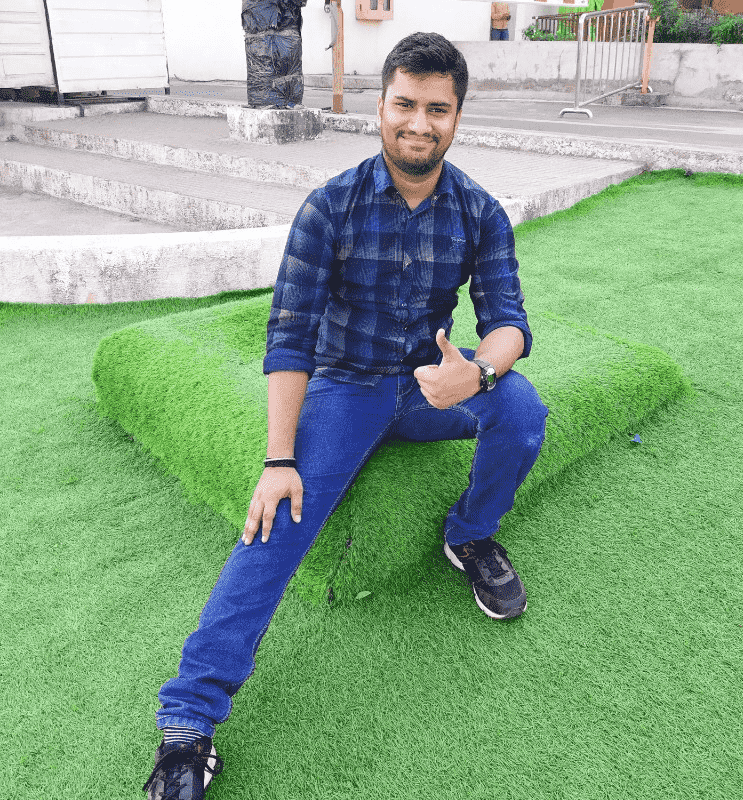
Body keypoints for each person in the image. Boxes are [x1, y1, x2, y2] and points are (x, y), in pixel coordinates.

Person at [142, 31, 548, 800]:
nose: (419, 123)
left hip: (430, 384)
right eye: (405, 104)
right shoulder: (330, 206)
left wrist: (478, 372)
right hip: (346, 390)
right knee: (276, 521)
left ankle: (469, 535)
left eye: (437, 109)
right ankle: (189, 721)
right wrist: (278, 458)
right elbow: (290, 336)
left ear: (457, 116)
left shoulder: (480, 211)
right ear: (381, 106)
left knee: (523, 408)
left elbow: (509, 323)